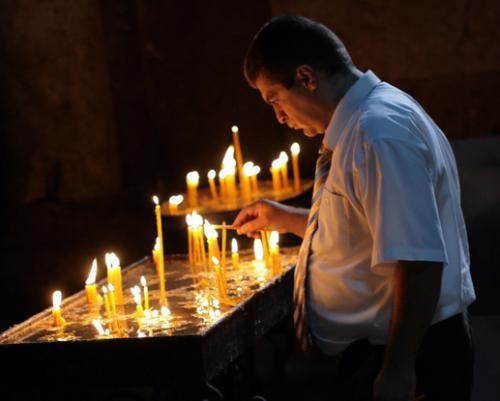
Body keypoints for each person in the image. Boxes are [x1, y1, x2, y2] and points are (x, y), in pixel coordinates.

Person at [232, 15, 475, 401]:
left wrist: (397, 370)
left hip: (408, 356)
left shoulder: (379, 133)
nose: (279, 116)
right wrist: (287, 219)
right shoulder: (362, 125)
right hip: (381, 355)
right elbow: (368, 225)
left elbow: (420, 261)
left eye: (275, 100)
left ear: (306, 77)